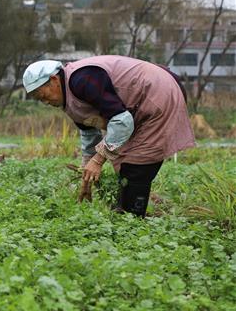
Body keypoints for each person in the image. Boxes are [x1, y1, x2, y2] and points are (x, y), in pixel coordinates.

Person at [22, 55, 195, 217]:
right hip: (137, 107)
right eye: (39, 100)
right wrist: (86, 174)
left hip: (157, 93)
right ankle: (126, 216)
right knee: (123, 165)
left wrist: (98, 161)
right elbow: (89, 133)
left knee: (137, 164)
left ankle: (132, 222)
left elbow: (122, 120)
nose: (45, 102)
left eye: (43, 95)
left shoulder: (82, 80)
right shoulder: (68, 99)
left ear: (53, 80)